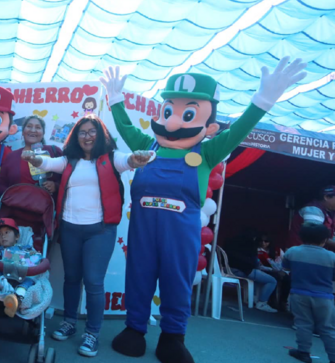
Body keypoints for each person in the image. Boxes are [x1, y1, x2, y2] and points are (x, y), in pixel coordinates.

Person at [101, 57, 307, 363]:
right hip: (143, 231)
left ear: (209, 126)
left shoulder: (208, 151)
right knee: (138, 277)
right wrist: (115, 100)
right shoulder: (147, 146)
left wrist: (262, 101)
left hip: (181, 235)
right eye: (168, 111)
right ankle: (135, 328)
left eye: (187, 113)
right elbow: (125, 126)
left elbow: (238, 131)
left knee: (177, 282)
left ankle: (173, 336)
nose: (171, 122)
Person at [22, 114, 151, 357]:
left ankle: (92, 333)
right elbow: (47, 163)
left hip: (100, 231)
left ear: (101, 134)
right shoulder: (69, 160)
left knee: (93, 282)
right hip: (70, 227)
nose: (87, 136)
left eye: (92, 131)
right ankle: (69, 322)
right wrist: (33, 157)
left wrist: (137, 158)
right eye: (82, 132)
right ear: (76, 136)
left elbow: (130, 160)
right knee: (71, 278)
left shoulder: (112, 158)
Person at [283, 222, 335, 363]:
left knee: (303, 324)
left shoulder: (292, 252)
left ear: (301, 237)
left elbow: (286, 268)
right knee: (328, 329)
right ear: (325, 240)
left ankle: (303, 353)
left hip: (299, 294)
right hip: (324, 297)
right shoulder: (332, 257)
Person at [0, 218, 43, 318]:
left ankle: (16, 299)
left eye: (7, 232)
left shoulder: (25, 248)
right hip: (4, 273)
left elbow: (35, 258)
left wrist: (34, 258)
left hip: (21, 274)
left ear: (17, 236)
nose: (3, 236)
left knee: (30, 280)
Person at [0, 115, 62, 197]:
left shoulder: (54, 151)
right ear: (23, 132)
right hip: (14, 207)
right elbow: (0, 185)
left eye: (38, 127)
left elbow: (69, 177)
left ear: (43, 133)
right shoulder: (11, 157)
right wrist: (12, 194)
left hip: (44, 208)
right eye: (29, 126)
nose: (33, 130)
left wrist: (56, 186)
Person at [223, 229, 278, 313]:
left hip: (227, 269)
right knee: (272, 281)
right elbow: (254, 263)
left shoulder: (229, 242)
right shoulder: (250, 245)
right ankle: (262, 303)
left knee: (259, 278)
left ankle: (254, 298)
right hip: (243, 270)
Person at [288, 186, 335, 251]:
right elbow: (316, 235)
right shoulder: (313, 210)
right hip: (301, 253)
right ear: (326, 197)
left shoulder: (329, 213)